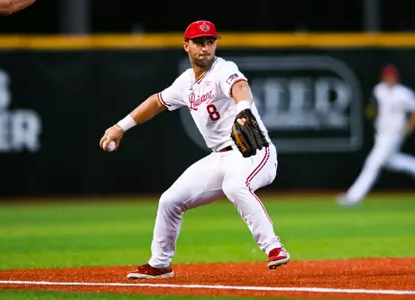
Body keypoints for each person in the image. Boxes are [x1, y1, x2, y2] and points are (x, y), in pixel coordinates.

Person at [99, 20, 289, 279]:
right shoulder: (186, 83)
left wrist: (243, 109)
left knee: (235, 186)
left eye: (210, 42)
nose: (206, 47)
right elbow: (156, 102)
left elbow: (239, 87)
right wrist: (120, 127)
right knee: (170, 200)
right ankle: (160, 264)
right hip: (219, 157)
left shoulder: (224, 69)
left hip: (253, 152)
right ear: (186, 45)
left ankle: (273, 247)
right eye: (199, 42)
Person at [338, 64, 415, 206]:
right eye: (387, 75)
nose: (390, 78)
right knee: (391, 161)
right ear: (383, 77)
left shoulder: (403, 93)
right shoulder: (379, 90)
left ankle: (353, 197)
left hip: (394, 134)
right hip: (381, 133)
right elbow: (373, 109)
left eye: (392, 75)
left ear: (396, 76)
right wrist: (371, 112)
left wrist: (409, 126)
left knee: (373, 163)